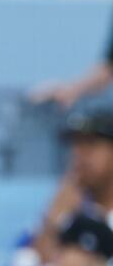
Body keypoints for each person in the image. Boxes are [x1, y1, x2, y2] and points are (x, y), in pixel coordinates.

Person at [30, 110, 113, 262]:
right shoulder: (69, 207)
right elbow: (36, 258)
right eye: (75, 145)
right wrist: (54, 216)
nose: (79, 155)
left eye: (91, 144)